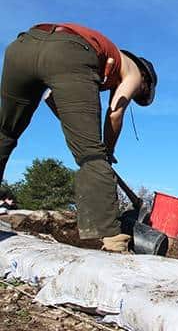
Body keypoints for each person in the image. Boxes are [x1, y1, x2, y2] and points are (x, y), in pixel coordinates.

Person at [0, 23, 157, 252]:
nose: (135, 94)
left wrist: (78, 127)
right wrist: (106, 151)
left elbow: (51, 97)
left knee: (4, 134)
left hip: (21, 48)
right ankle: (112, 240)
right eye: (140, 93)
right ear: (146, 80)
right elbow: (115, 112)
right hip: (69, 52)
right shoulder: (133, 69)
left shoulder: (107, 59)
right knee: (92, 155)